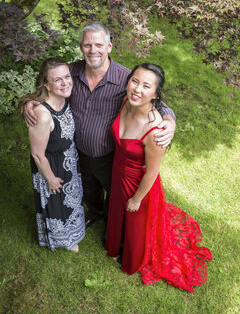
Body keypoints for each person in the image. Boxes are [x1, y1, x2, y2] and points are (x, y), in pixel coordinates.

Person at [24, 22, 176, 235]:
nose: (93, 50)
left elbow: (158, 103)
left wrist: (170, 121)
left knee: (114, 192)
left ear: (109, 47)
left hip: (109, 154)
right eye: (87, 45)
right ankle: (95, 212)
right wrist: (30, 103)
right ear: (81, 47)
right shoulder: (71, 73)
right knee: (89, 189)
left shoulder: (126, 78)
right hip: (79, 152)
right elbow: (49, 84)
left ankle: (113, 223)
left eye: (98, 45)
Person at [106, 63, 212, 292]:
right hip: (118, 173)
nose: (137, 89)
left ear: (155, 94)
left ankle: (133, 257)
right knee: (117, 212)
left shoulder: (155, 131)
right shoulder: (126, 103)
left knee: (136, 221)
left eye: (146, 86)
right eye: (134, 81)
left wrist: (136, 199)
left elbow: (152, 172)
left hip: (138, 184)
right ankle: (116, 242)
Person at [20, 58, 85, 253]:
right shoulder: (42, 114)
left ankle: (72, 231)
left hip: (68, 161)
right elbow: (37, 154)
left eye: (67, 76)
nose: (65, 83)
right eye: (57, 80)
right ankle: (60, 238)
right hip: (50, 166)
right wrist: (50, 179)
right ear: (46, 85)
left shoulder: (65, 99)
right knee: (57, 204)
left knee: (70, 201)